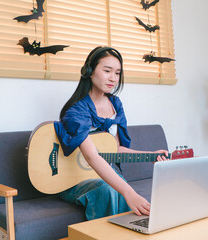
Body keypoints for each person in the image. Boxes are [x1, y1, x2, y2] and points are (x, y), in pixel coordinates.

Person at [54, 46, 168, 220]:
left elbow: (114, 150)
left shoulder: (115, 104)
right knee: (108, 188)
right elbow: (92, 157)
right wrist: (129, 192)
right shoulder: (76, 110)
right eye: (107, 71)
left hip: (101, 175)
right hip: (74, 180)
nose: (113, 78)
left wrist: (150, 155)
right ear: (89, 71)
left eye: (117, 73)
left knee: (115, 185)